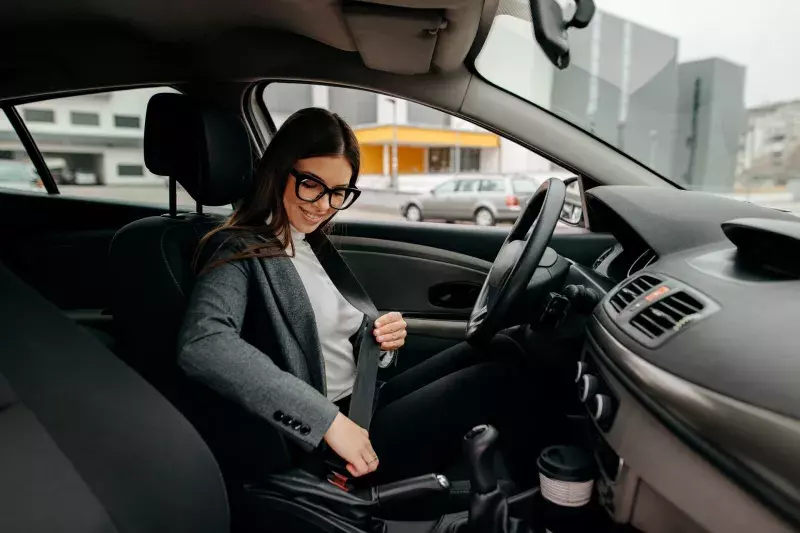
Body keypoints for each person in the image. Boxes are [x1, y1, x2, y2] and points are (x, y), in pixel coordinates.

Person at [178, 108, 533, 484]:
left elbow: (332, 343)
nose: (324, 205)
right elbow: (204, 343)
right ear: (279, 170)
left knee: (504, 345)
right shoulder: (237, 249)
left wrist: (381, 342)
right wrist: (324, 420)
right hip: (330, 439)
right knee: (497, 380)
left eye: (339, 192)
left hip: (364, 399)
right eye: (312, 184)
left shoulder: (310, 242)